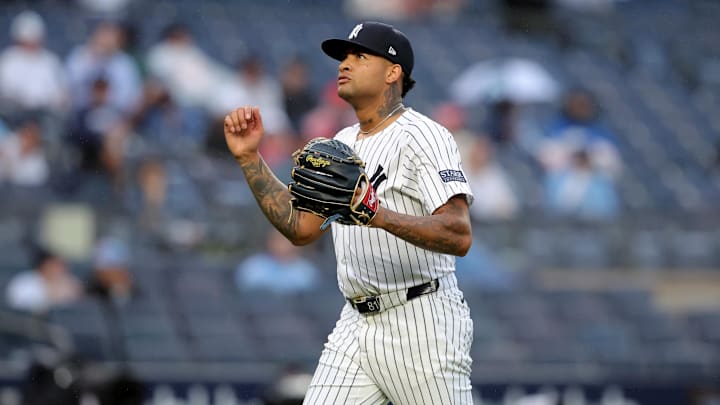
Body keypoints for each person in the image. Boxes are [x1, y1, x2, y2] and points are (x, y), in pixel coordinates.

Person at [225, 21, 475, 404]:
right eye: (343, 56)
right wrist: (249, 159)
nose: (344, 64)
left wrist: (377, 214)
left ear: (393, 72)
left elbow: (459, 234)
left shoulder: (423, 135)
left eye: (359, 56)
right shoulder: (340, 143)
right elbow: (301, 228)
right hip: (355, 322)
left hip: (420, 321)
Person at [234, 229, 320, 295]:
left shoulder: (306, 271)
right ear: (270, 242)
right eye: (278, 240)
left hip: (295, 316)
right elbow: (244, 293)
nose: (282, 245)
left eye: (287, 241)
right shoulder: (253, 266)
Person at [5, 246, 83, 314]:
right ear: (45, 264)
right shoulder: (24, 282)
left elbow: (77, 310)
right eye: (56, 264)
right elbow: (18, 309)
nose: (62, 268)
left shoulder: (71, 281)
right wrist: (52, 294)